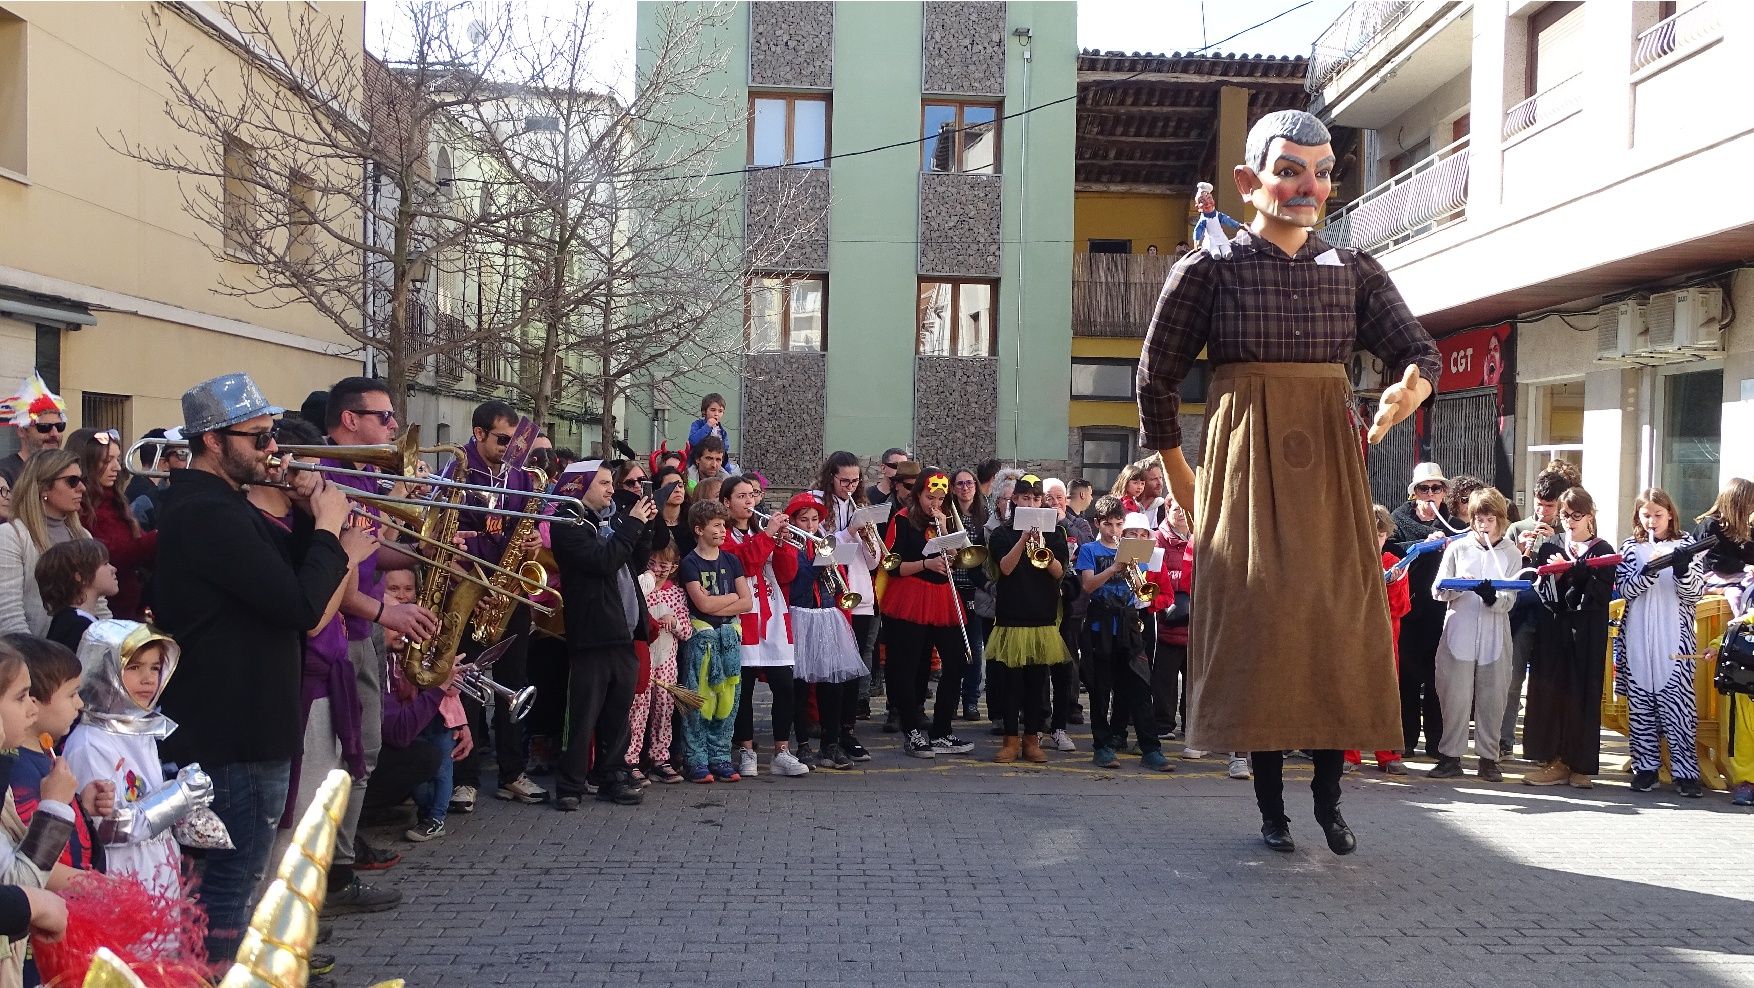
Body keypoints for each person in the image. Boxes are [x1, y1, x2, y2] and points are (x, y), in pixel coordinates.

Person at [1137, 109, 1440, 855]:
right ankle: (1272, 811)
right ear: (1249, 181)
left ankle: (1330, 800)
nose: (1310, 185)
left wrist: (1412, 392)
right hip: (1245, 463)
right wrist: (1186, 483)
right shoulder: (1210, 267)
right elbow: (1155, 381)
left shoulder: (1356, 268)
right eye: (1290, 169)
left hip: (1333, 468)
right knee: (1264, 630)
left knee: (1337, 624)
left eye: (1323, 170)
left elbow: (1420, 352)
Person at [149, 372, 350, 958]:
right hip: (232, 738)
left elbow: (287, 574)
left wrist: (314, 513)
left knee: (228, 896)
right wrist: (333, 532)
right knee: (225, 903)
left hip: (248, 729)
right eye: (258, 438)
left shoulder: (223, 506)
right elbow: (299, 605)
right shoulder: (207, 514)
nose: (273, 450)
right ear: (213, 441)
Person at [319, 377, 433, 907]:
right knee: (352, 753)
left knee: (364, 750)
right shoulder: (328, 478)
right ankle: (336, 871)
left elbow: (369, 552)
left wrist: (426, 554)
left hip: (362, 628)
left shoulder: (357, 475)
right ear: (350, 420)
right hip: (345, 631)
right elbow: (337, 572)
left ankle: (341, 861)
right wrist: (388, 609)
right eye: (385, 417)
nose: (392, 427)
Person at [63, 619, 213, 903]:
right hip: (120, 884)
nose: (148, 679)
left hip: (157, 878)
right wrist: (178, 798)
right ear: (104, 672)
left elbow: (144, 798)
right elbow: (106, 828)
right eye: (134, 667)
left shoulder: (140, 731)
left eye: (155, 668)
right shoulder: (90, 743)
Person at [447, 401, 546, 809]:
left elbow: (527, 533)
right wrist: (475, 582)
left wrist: (535, 544)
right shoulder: (457, 473)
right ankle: (464, 779)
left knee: (515, 683)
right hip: (468, 590)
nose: (510, 448)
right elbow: (446, 539)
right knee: (468, 684)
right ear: (479, 433)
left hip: (511, 593)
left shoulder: (521, 478)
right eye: (502, 439)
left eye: (513, 440)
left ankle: (512, 772)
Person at [549, 459, 657, 809]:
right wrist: (632, 527)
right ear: (581, 486)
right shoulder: (568, 523)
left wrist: (644, 528)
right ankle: (569, 784)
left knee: (617, 714)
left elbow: (635, 561)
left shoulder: (611, 522)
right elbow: (602, 561)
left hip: (623, 632)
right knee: (582, 716)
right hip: (593, 633)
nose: (612, 489)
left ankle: (611, 776)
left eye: (612, 483)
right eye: (604, 483)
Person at [1615, 488, 1709, 798]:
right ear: (1638, 517)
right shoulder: (1630, 548)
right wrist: (1648, 572)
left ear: (1669, 514)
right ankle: (1646, 768)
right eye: (1647, 515)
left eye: (1658, 514)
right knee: (1641, 704)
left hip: (1675, 638)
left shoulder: (1687, 547)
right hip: (1639, 635)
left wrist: (1680, 568)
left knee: (1679, 706)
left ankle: (1685, 772)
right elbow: (1626, 589)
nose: (1653, 520)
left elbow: (1694, 593)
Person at [1522, 486, 1614, 788]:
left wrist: (1576, 574)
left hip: (1586, 632)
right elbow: (1543, 592)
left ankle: (1581, 764)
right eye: (1565, 515)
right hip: (1554, 629)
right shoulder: (1551, 547)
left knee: (1582, 693)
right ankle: (1553, 760)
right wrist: (1559, 576)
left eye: (1577, 515)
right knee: (1552, 692)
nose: (1570, 521)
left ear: (1590, 516)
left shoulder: (1602, 550)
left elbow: (1598, 597)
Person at [1427, 488, 1520, 782]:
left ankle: (1489, 758)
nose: (1483, 523)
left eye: (1490, 518)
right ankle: (1450, 756)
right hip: (1460, 630)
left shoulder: (1511, 553)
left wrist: (1492, 596)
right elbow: (1437, 590)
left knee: (1493, 697)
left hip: (1495, 635)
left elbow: (1510, 599)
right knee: (1454, 694)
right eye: (1479, 517)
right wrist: (1457, 586)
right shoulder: (1459, 548)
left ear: (1500, 520)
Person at [880, 469, 974, 758]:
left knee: (957, 662)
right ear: (917, 493)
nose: (934, 502)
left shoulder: (943, 520)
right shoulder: (902, 520)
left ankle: (942, 730)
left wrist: (945, 531)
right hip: (910, 594)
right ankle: (912, 732)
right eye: (929, 497)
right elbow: (891, 565)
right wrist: (924, 564)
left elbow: (959, 561)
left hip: (942, 595)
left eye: (940, 497)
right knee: (907, 668)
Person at [719, 476, 808, 778]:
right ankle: (746, 749)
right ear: (726, 503)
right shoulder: (724, 536)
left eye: (752, 496)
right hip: (742, 616)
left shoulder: (763, 532)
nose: (748, 501)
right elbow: (743, 564)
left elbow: (787, 573)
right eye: (741, 496)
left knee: (785, 685)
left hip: (772, 615)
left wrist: (782, 545)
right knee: (743, 688)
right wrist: (769, 536)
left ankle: (782, 751)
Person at [1078, 502, 1172, 771]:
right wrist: (1113, 568)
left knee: (1140, 687)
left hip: (1129, 624)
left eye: (1119, 525)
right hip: (1100, 626)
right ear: (1098, 524)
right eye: (1108, 524)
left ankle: (1151, 748)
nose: (1114, 530)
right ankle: (1103, 746)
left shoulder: (1135, 550)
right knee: (1100, 690)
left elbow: (1145, 589)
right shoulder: (1090, 550)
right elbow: (1087, 585)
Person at [985, 475, 1069, 763]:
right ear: (1015, 501)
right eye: (1025, 499)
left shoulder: (1055, 533)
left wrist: (1041, 543)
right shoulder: (1001, 534)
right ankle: (1010, 740)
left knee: (1037, 685)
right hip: (1012, 617)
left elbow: (1058, 572)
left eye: (1036, 499)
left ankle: (1032, 739)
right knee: (1011, 685)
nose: (1031, 503)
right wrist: (1023, 539)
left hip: (1042, 617)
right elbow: (1005, 569)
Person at [8, 635, 107, 877]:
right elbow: (29, 861)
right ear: (35, 701)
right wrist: (95, 886)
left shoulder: (45, 752)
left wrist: (81, 806)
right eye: (72, 694)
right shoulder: (12, 767)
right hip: (51, 906)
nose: (80, 704)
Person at [781, 493, 866, 771]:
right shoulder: (788, 544)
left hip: (828, 614)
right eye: (803, 519)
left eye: (814, 519)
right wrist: (816, 563)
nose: (809, 525)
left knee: (833, 683)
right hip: (800, 615)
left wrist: (832, 563)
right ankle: (803, 744)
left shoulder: (827, 541)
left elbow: (840, 580)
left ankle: (831, 744)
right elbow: (790, 578)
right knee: (800, 685)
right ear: (793, 520)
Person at [1501, 460, 1580, 756]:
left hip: (1551, 616)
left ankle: (1542, 746)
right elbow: (1504, 571)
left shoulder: (1570, 531)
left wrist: (1555, 543)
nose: (1542, 512)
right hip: (1521, 615)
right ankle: (1503, 741)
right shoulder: (1517, 528)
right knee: (1511, 680)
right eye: (1539, 505)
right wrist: (1520, 551)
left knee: (1546, 683)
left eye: (1549, 507)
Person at [677, 500, 749, 783]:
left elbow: (747, 602)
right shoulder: (689, 563)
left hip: (728, 639)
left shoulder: (732, 560)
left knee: (728, 700)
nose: (723, 530)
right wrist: (731, 598)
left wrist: (723, 602)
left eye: (723, 525)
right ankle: (696, 760)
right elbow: (701, 604)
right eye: (716, 525)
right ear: (699, 529)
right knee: (700, 699)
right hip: (702, 640)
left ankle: (720, 756)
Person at [812, 451, 876, 761]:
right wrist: (848, 531)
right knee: (832, 670)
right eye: (843, 481)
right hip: (830, 595)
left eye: (855, 481)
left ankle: (847, 731)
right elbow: (822, 550)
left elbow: (875, 561)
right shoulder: (816, 504)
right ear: (830, 477)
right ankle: (829, 734)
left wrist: (868, 538)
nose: (850, 487)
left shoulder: (861, 507)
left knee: (854, 670)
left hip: (859, 596)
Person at [0, 450, 105, 637]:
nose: (82, 488)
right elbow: (9, 615)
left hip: (85, 653)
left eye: (82, 480)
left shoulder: (83, 536)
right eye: (72, 481)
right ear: (44, 487)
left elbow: (100, 606)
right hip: (34, 656)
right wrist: (38, 661)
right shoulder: (11, 536)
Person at [1391, 462, 1454, 759]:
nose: (1430, 494)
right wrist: (1423, 544)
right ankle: (1405, 739)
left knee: (1437, 679)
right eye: (1423, 488)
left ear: (1444, 492)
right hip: (1409, 609)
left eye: (1436, 488)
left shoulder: (1452, 524)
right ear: (1413, 493)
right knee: (1407, 678)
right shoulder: (1398, 519)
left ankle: (1437, 743)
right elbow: (1391, 553)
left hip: (1440, 611)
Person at [1344, 506, 1410, 775]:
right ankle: (1350, 753)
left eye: (1380, 535)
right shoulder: (1347, 562)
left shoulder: (1394, 562)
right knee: (1352, 693)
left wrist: (1393, 584)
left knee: (1387, 695)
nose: (1375, 540)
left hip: (1385, 639)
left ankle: (1388, 753)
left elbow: (1402, 607)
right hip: (1354, 638)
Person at [67, 430, 156, 621]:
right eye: (107, 461)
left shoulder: (117, 502)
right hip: (100, 613)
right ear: (88, 463)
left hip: (131, 610)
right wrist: (160, 537)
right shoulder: (78, 507)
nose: (117, 467)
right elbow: (108, 554)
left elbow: (138, 545)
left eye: (117, 459)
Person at [629, 544, 687, 785]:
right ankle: (631, 758)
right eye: (653, 563)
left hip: (666, 662)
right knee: (637, 710)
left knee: (664, 708)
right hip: (643, 659)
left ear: (673, 567)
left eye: (664, 565)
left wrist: (674, 622)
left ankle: (659, 758)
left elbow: (687, 630)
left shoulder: (677, 593)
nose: (658, 569)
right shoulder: (642, 588)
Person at [948, 467, 990, 722]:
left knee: (974, 647)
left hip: (975, 588)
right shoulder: (946, 517)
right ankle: (950, 698)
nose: (965, 488)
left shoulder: (983, 518)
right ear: (953, 488)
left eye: (969, 483)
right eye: (960, 484)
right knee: (952, 648)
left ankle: (971, 700)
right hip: (951, 586)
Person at [36, 539, 117, 652]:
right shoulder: (77, 627)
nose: (113, 569)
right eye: (105, 564)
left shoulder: (75, 621)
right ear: (80, 577)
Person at [1692, 478, 1754, 615]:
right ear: (1738, 504)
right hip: (1708, 574)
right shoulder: (1710, 525)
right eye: (1750, 504)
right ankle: (1742, 627)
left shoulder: (1741, 526)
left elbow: (1748, 555)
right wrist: (1744, 566)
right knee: (1741, 592)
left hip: (1733, 574)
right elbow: (1715, 561)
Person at [0, 372, 66, 488]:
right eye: (44, 427)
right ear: (22, 431)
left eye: (60, 426)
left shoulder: (67, 470)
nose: (54, 434)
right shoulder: (5, 473)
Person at [130, 428, 187, 532]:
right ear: (164, 462)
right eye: (182, 454)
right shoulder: (148, 499)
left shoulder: (139, 486)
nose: (188, 461)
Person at [687, 393, 733, 466]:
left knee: (727, 475)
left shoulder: (722, 431)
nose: (716, 414)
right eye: (713, 410)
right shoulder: (697, 425)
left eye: (720, 411)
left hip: (716, 464)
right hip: (697, 463)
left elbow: (725, 449)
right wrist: (707, 426)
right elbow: (693, 441)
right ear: (704, 411)